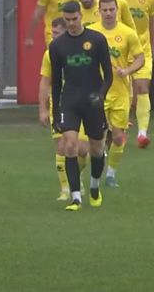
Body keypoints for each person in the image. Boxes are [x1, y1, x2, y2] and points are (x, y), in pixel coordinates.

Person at [49, 1, 113, 211]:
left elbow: (108, 75)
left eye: (74, 19)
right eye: (67, 20)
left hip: (92, 101)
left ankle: (94, 186)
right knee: (69, 145)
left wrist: (101, 95)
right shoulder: (57, 46)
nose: (71, 24)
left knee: (96, 148)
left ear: (81, 16)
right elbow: (56, 81)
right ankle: (75, 197)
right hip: (70, 101)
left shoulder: (97, 40)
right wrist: (56, 112)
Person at [89, 0, 144, 187]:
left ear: (117, 10)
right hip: (98, 92)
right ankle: (95, 172)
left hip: (120, 92)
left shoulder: (128, 33)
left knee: (119, 136)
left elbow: (140, 58)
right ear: (99, 10)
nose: (109, 13)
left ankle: (111, 175)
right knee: (97, 136)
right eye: (105, 10)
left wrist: (127, 70)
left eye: (112, 9)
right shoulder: (92, 32)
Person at [38, 17, 90, 201]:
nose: (54, 38)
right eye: (52, 34)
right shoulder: (49, 53)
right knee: (63, 146)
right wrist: (43, 109)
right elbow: (45, 82)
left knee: (82, 149)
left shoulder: (81, 48)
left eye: (58, 33)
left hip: (82, 103)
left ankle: (77, 176)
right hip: (59, 104)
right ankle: (65, 189)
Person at [110, 0, 154, 147]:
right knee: (124, 93)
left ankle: (142, 133)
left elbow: (152, 22)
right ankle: (121, 128)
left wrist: (152, 46)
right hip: (121, 50)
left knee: (142, 88)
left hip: (142, 49)